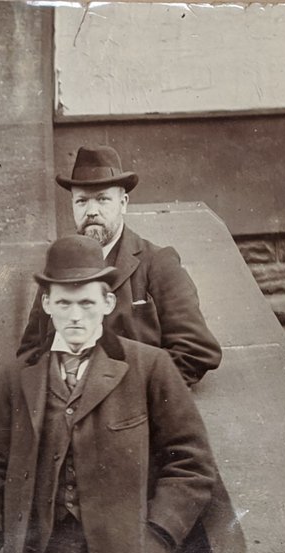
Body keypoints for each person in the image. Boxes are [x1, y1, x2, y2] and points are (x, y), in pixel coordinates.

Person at [0, 235, 218, 553]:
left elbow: (192, 465)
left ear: (108, 303)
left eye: (86, 302)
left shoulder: (149, 367)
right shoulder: (20, 375)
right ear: (46, 305)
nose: (75, 315)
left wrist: (156, 537)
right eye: (63, 303)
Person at [18, 145, 221, 386]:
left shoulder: (157, 263)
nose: (91, 211)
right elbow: (30, 354)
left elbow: (196, 350)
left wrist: (134, 401)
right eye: (82, 201)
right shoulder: (58, 271)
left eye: (103, 199)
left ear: (123, 203)